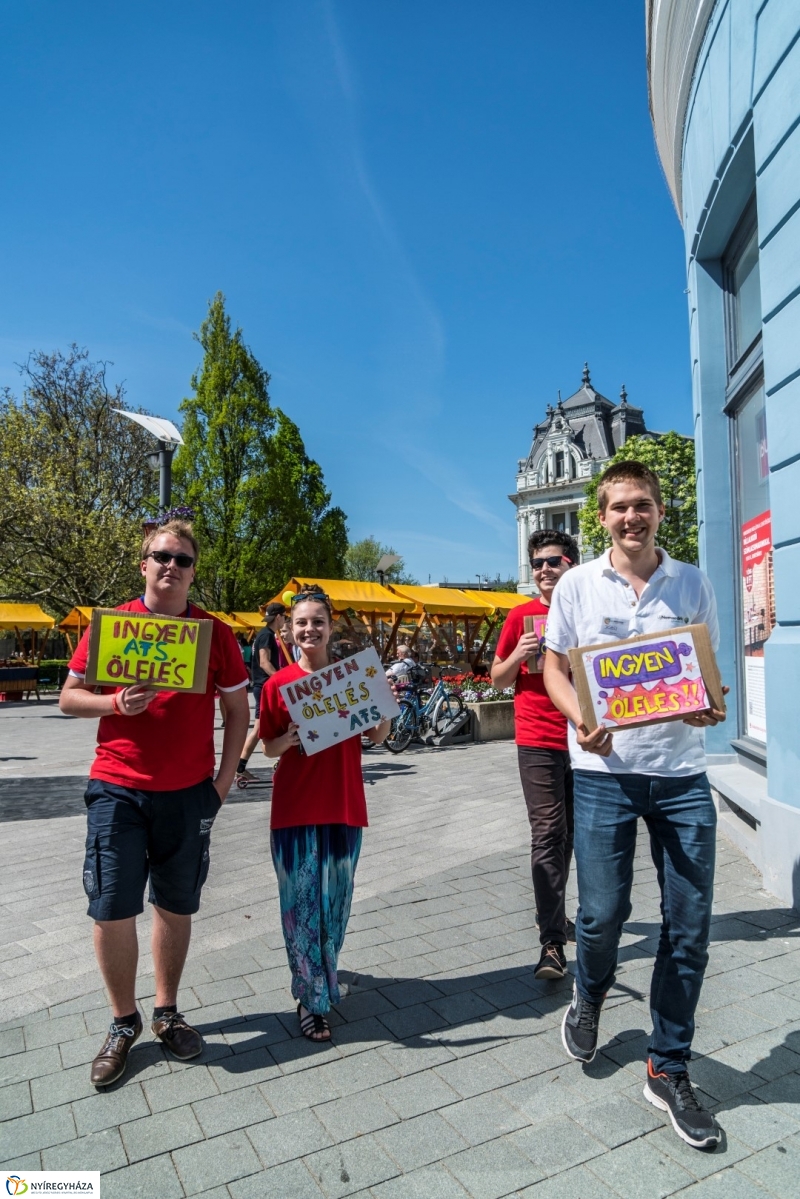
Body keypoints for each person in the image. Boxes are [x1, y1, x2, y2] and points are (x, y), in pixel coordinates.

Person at [543, 461, 727, 1150]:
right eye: (619, 507)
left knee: (689, 926)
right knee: (600, 914)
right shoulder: (576, 585)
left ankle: (667, 1064)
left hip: (682, 777)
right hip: (602, 773)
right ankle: (589, 991)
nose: (631, 517)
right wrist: (577, 718)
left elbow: (707, 677)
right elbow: (555, 667)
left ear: (658, 510)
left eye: (642, 505)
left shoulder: (693, 582)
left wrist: (710, 705)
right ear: (602, 515)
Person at [60, 519, 250, 1087]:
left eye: (183, 560)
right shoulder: (113, 627)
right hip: (117, 788)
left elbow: (239, 713)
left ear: (193, 572)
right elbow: (70, 698)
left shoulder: (215, 635)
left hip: (188, 795)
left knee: (175, 905)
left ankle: (167, 1013)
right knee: (111, 907)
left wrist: (220, 784)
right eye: (161, 556)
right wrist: (115, 703)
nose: (171, 566)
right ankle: (124, 1023)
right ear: (143, 563)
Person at [259, 585, 395, 1042]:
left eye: (318, 621)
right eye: (301, 622)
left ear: (330, 626)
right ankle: (310, 997)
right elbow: (267, 748)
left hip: (342, 805)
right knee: (300, 908)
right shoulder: (277, 685)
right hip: (295, 809)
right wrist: (291, 738)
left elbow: (377, 737)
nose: (309, 629)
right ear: (289, 629)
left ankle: (324, 974)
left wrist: (384, 701)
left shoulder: (350, 680)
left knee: (334, 905)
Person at [491, 529, 578, 981]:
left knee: (570, 836)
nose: (545, 569)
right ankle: (551, 943)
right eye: (538, 562)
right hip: (538, 740)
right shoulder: (520, 616)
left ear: (571, 564)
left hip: (586, 740)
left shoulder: (589, 609)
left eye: (554, 561)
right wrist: (518, 654)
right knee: (547, 833)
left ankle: (558, 913)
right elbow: (497, 680)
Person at [236, 602, 287, 782]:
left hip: (263, 686)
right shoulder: (267, 635)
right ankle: (240, 766)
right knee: (259, 728)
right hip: (265, 687)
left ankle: (243, 766)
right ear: (278, 617)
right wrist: (282, 679)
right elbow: (264, 663)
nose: (285, 621)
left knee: (278, 725)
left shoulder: (265, 634)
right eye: (285, 617)